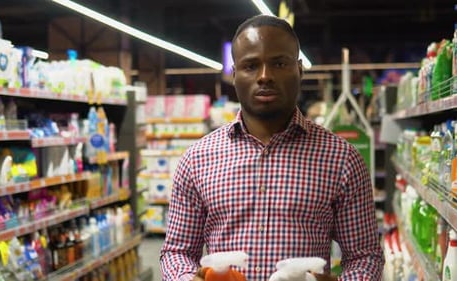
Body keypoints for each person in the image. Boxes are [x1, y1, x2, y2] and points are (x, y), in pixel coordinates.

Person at [160, 14, 384, 281]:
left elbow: (365, 256)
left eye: (279, 63)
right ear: (234, 75)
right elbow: (176, 252)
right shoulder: (197, 160)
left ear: (299, 69)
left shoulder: (342, 159)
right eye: (251, 66)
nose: (265, 76)